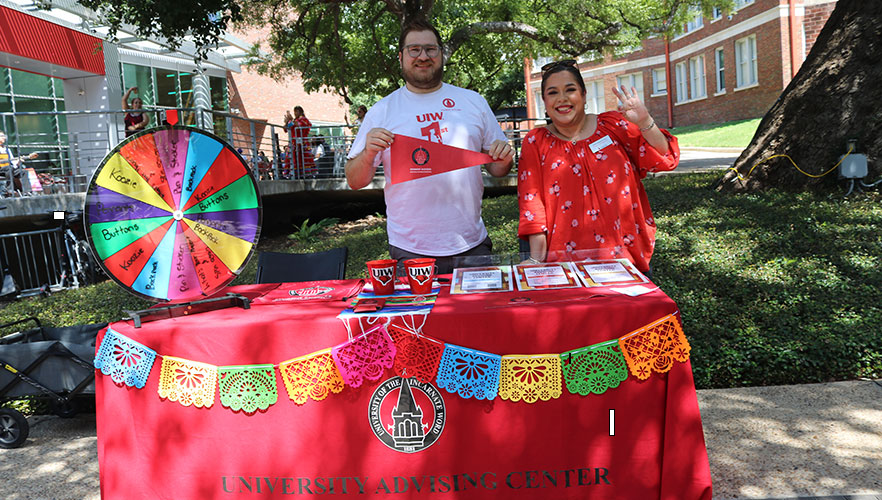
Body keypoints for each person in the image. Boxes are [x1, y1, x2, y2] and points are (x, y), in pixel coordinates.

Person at [346, 19, 514, 274]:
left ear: (441, 54)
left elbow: (499, 169)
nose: (423, 56)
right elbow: (354, 180)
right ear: (401, 57)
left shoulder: (473, 102)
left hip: (471, 244)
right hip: (410, 249)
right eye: (414, 49)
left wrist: (505, 157)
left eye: (430, 49)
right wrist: (369, 152)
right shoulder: (382, 110)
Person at [517, 59, 679, 274]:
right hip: (565, 266)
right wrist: (537, 261)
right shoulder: (536, 142)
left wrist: (644, 121)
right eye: (553, 92)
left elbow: (663, 157)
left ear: (584, 95)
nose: (562, 98)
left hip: (625, 260)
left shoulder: (613, 125)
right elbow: (532, 204)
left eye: (570, 90)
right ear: (545, 101)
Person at [0, 130, 38, 196]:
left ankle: (27, 192)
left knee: (23, 172)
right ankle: (9, 189)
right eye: (2, 136)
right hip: (1, 169)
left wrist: (18, 161)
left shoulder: (7, 149)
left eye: (4, 136)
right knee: (9, 168)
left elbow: (13, 162)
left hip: (9, 169)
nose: (4, 138)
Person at [285, 106, 314, 178]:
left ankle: (305, 174)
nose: (295, 113)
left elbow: (300, 125)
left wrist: (291, 120)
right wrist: (287, 122)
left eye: (296, 111)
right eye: (294, 112)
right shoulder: (294, 120)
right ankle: (292, 174)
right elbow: (286, 129)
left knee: (303, 159)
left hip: (302, 143)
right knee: (292, 159)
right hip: (293, 143)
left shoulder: (304, 120)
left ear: (300, 112)